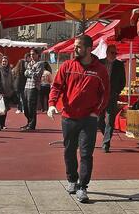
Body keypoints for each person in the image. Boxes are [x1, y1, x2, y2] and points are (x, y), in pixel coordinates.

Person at [47, 35, 109, 203]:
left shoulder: (100, 70)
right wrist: (52, 104)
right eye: (75, 46)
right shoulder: (67, 66)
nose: (75, 49)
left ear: (89, 49)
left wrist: (96, 112)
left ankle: (83, 187)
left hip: (89, 119)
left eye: (78, 47)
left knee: (86, 153)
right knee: (69, 150)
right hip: (68, 117)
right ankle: (72, 180)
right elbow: (56, 86)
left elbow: (105, 94)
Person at [99, 44, 126, 152]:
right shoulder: (100, 63)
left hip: (112, 95)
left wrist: (116, 91)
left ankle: (106, 144)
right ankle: (106, 134)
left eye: (115, 53)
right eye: (112, 52)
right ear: (107, 53)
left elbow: (123, 81)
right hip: (100, 95)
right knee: (99, 119)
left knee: (110, 120)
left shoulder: (119, 65)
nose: (114, 55)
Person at [18, 49, 50, 131]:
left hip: (34, 87)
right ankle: (28, 122)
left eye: (33, 54)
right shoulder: (29, 63)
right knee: (25, 106)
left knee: (31, 106)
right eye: (31, 54)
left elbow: (37, 75)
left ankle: (31, 125)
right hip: (27, 86)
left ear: (37, 55)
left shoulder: (40, 63)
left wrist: (30, 72)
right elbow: (25, 73)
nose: (31, 56)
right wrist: (30, 72)